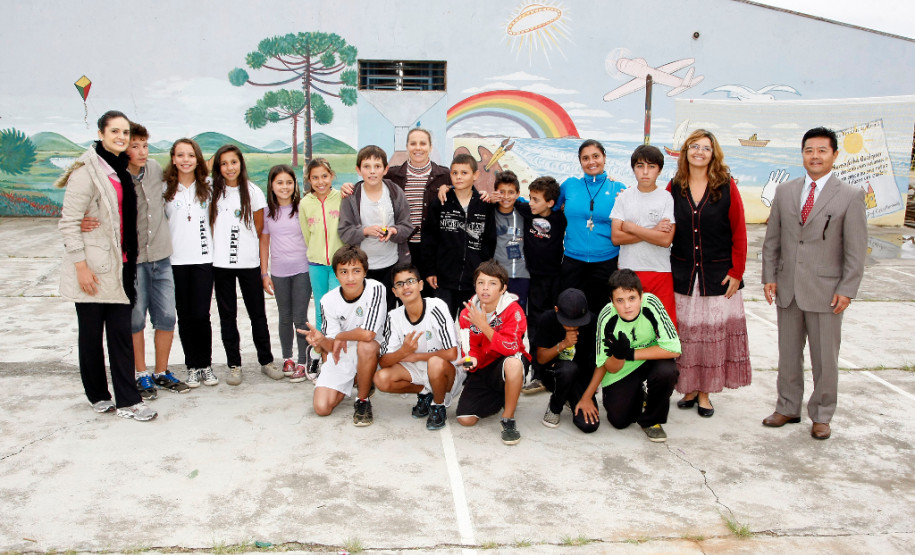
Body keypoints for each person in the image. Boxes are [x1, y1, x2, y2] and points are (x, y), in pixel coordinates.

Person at [762, 127, 867, 440]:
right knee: (788, 354)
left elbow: (856, 249)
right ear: (802, 154)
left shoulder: (850, 196)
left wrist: (847, 289)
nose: (815, 156)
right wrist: (769, 276)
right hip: (788, 288)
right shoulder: (786, 192)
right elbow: (773, 239)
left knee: (825, 358)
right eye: (809, 150)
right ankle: (787, 406)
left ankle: (821, 415)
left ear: (834, 155)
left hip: (826, 291)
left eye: (822, 150)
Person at [57, 110, 156, 421]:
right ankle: (98, 394)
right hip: (93, 268)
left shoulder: (120, 171)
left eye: (124, 132)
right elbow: (69, 223)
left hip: (121, 266)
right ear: (101, 134)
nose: (121, 137)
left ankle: (128, 400)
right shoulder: (86, 173)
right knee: (90, 335)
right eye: (115, 131)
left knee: (120, 335)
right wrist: (80, 267)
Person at [80, 123, 187, 398]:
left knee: (166, 316)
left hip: (162, 258)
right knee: (135, 319)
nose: (141, 151)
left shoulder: (154, 170)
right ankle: (141, 374)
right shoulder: (114, 177)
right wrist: (84, 219)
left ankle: (161, 372)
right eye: (134, 145)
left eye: (145, 145)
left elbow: (188, 177)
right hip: (134, 260)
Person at [668, 129, 751, 418]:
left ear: (713, 154)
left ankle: (704, 393)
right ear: (686, 151)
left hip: (718, 276)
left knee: (710, 336)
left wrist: (737, 271)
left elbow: (739, 230)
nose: (699, 151)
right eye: (694, 146)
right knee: (687, 336)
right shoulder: (674, 186)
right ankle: (689, 388)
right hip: (683, 274)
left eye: (706, 147)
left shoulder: (726, 186)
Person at [576, 270, 680, 442]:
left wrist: (629, 353)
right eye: (620, 300)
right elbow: (606, 365)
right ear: (612, 301)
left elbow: (674, 349)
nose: (627, 306)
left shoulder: (652, 303)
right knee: (619, 421)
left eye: (632, 298)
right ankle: (640, 395)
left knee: (667, 371)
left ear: (641, 295)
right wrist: (587, 396)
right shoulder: (607, 316)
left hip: (650, 359)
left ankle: (651, 420)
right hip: (622, 368)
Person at [209, 144, 279, 385]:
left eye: (234, 162)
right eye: (224, 163)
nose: (230, 167)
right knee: (227, 316)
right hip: (220, 266)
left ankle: (266, 361)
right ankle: (234, 365)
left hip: (249, 264)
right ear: (218, 166)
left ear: (241, 164)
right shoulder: (211, 192)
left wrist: (262, 269)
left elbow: (260, 232)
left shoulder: (254, 192)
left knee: (257, 315)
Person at [300, 245, 387, 426]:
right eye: (344, 271)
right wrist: (321, 340)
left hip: (372, 352)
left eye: (356, 271)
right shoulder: (328, 301)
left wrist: (341, 336)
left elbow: (368, 333)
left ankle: (362, 400)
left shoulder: (376, 289)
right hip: (344, 352)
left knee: (366, 345)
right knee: (322, 408)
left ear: (365, 272)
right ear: (336, 274)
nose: (350, 277)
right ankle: (357, 379)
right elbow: (332, 346)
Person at [375, 263, 462, 430]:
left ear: (420, 285)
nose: (405, 287)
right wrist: (403, 351)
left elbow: (452, 353)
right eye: (399, 284)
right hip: (416, 370)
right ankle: (425, 392)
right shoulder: (393, 317)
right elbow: (384, 361)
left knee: (435, 363)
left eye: (410, 281)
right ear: (394, 292)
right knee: (381, 379)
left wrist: (415, 356)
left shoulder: (437, 307)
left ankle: (438, 405)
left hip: (446, 371)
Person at [456, 260, 531, 445]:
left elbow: (512, 347)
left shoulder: (513, 310)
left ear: (503, 288)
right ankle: (504, 396)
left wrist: (484, 326)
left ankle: (508, 419)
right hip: (484, 366)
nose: (485, 288)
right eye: (481, 283)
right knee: (465, 419)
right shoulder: (467, 313)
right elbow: (469, 350)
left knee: (513, 364)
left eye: (492, 283)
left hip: (508, 361)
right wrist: (471, 360)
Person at [162, 138, 218, 388]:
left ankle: (206, 365)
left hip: (204, 260)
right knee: (184, 316)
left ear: (198, 159)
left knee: (201, 315)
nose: (186, 160)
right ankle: (192, 366)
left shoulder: (208, 186)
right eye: (180, 155)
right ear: (173, 158)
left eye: (191, 155)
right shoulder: (164, 188)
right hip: (174, 261)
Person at [557, 139, 627, 317]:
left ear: (604, 157)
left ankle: (599, 345)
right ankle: (572, 345)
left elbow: (629, 223)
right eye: (585, 158)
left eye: (596, 156)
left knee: (601, 314)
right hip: (573, 261)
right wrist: (515, 203)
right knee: (571, 313)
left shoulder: (618, 188)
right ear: (580, 162)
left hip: (606, 262)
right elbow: (546, 205)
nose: (591, 162)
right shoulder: (569, 185)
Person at [421, 153, 496, 317]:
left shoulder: (485, 205)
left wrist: (483, 274)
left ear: (475, 175)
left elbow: (490, 242)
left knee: (470, 330)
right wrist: (430, 271)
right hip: (443, 280)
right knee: (441, 327)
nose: (458, 177)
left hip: (473, 282)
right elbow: (429, 240)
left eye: (464, 173)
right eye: (454, 173)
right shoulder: (440, 203)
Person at [338, 145, 414, 308]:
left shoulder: (395, 192)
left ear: (385, 169)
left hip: (391, 264)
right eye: (367, 166)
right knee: (365, 312)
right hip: (362, 268)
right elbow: (344, 232)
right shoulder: (351, 197)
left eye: (377, 166)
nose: (372, 171)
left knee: (388, 311)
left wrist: (394, 231)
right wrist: (364, 231)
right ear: (358, 170)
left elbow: (407, 227)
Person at [610, 144, 676, 328]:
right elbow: (616, 237)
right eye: (640, 166)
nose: (645, 172)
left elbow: (665, 240)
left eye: (651, 166)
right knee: (630, 328)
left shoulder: (666, 198)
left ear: (660, 170)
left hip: (660, 271)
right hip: (628, 271)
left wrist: (631, 227)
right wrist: (653, 231)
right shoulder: (623, 198)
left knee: (661, 328)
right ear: (633, 169)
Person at [514, 176, 567, 394]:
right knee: (534, 325)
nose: (531, 203)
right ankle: (536, 372)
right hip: (534, 279)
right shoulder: (527, 211)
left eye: (536, 199)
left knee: (555, 324)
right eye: (530, 198)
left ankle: (555, 369)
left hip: (556, 279)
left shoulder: (561, 218)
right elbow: (505, 195)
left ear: (551, 202)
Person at [260, 164, 311, 383]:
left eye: (289, 182)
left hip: (302, 270)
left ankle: (302, 361)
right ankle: (288, 358)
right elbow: (264, 242)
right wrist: (264, 273)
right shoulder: (266, 212)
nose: (284, 187)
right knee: (284, 317)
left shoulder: (302, 208)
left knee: (300, 318)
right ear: (271, 185)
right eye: (279, 182)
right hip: (279, 272)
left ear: (295, 184)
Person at [385, 127, 452, 279]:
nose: (418, 148)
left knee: (428, 296)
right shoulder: (393, 175)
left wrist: (450, 187)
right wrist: (348, 187)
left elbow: (465, 190)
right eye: (413, 143)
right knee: (402, 292)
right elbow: (370, 182)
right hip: (401, 247)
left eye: (423, 143)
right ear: (407, 146)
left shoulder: (444, 175)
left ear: (430, 147)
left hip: (432, 248)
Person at [531, 288, 598, 433]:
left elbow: (597, 363)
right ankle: (555, 406)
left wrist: (587, 396)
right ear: (556, 310)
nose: (573, 326)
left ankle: (569, 397)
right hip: (554, 374)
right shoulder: (547, 319)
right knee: (568, 369)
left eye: (578, 322)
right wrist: (563, 344)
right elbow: (541, 359)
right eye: (568, 322)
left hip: (581, 377)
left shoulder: (592, 321)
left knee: (589, 425)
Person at [299, 158, 344, 340]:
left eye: (324, 176)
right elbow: (306, 235)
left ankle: (337, 346)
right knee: (320, 307)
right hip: (316, 264)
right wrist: (315, 253)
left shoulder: (341, 197)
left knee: (336, 306)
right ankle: (319, 350)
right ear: (309, 180)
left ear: (332, 176)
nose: (320, 181)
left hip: (338, 264)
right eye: (315, 178)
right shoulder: (305, 203)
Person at [491, 170, 530, 311]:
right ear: (495, 192)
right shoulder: (489, 213)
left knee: (517, 317)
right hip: (497, 277)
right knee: (495, 318)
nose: (506, 197)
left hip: (521, 276)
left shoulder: (525, 213)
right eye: (502, 192)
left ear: (518, 194)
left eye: (511, 192)